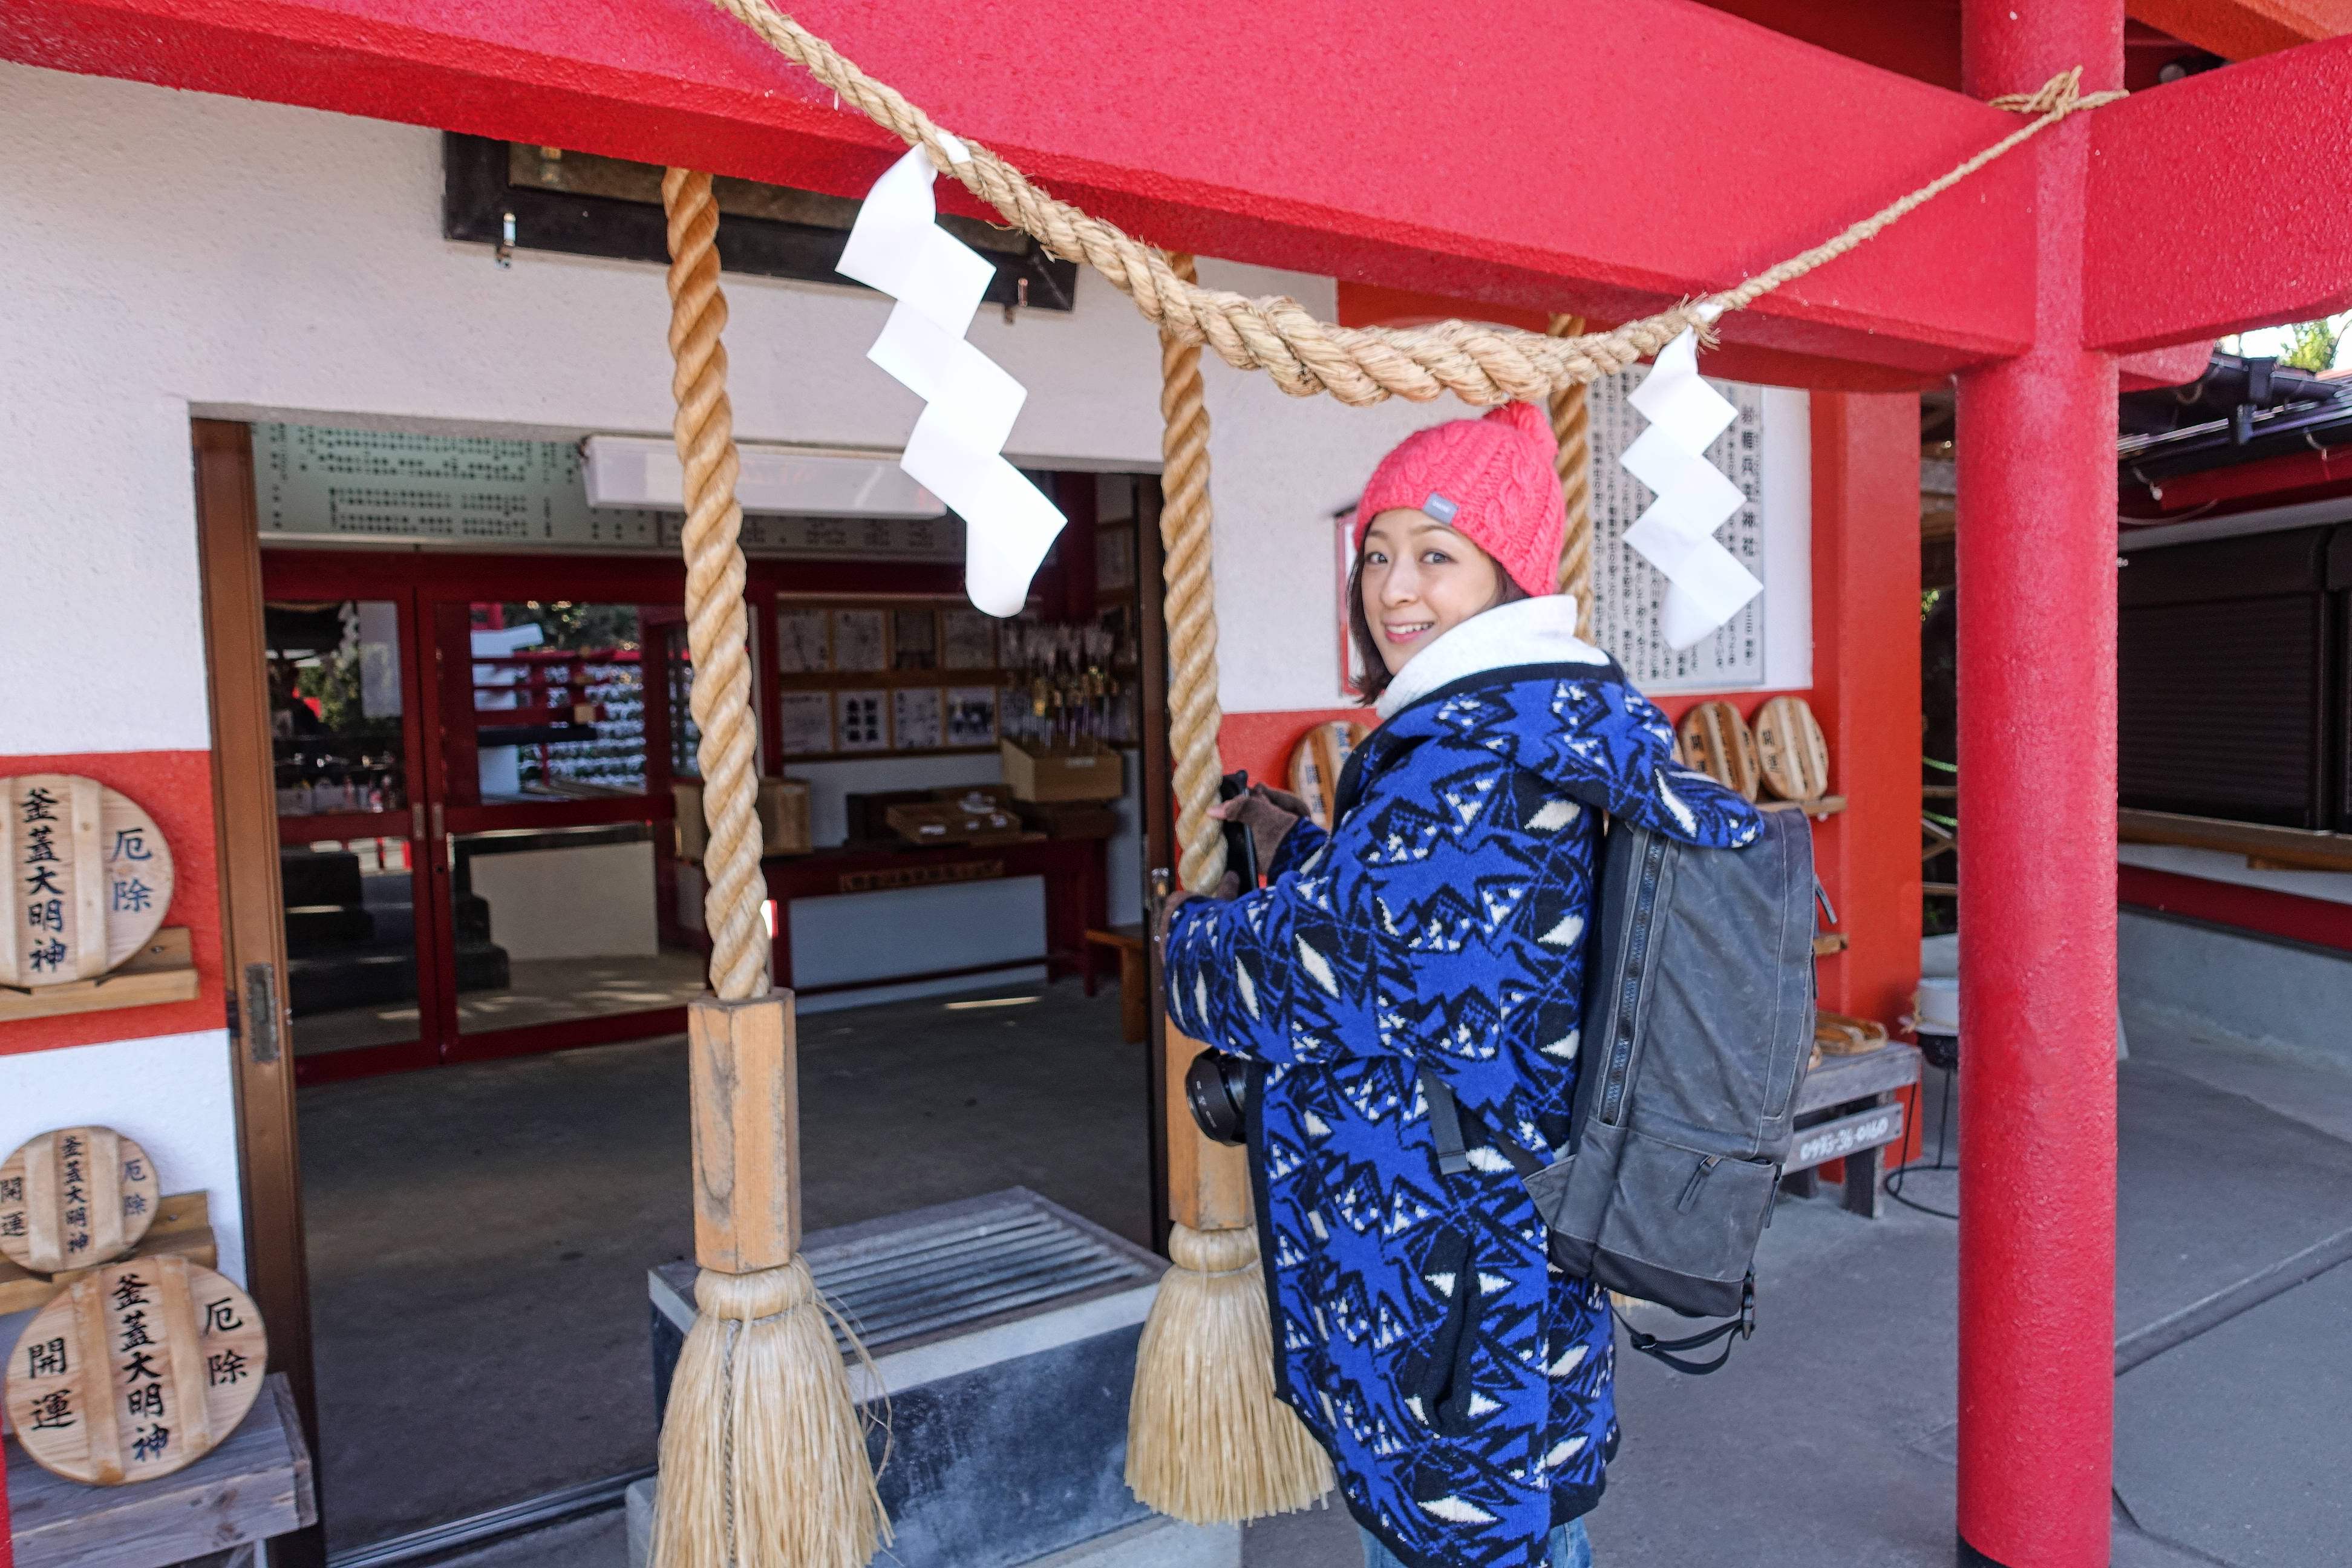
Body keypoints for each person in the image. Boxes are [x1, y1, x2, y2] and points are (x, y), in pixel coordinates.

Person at [1161, 402, 1760, 1568]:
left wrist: (1190, 940)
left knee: (1471, 1543)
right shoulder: (1530, 728)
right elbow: (1441, 941)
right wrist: (1301, 851)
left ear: (1507, 576)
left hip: (1454, 1294)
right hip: (1506, 1260)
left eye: (1436, 556)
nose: (1394, 589)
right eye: (1378, 554)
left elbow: (1328, 974)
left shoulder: (1469, 757)